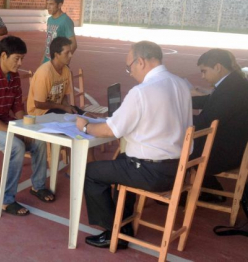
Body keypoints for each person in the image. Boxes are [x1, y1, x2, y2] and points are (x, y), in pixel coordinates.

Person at [75, 41, 192, 249]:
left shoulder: (142, 91)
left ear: (141, 61)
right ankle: (123, 224)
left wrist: (85, 127)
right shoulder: (181, 84)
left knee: (90, 172)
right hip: (178, 169)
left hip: (151, 171)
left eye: (129, 67)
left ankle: (114, 232)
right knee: (121, 161)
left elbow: (110, 130)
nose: (130, 72)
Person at [0, 36, 54, 216]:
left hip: (4, 120)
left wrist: (24, 128)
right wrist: (14, 132)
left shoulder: (13, 77)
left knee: (37, 140)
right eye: (17, 59)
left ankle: (38, 186)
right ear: (3, 55)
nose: (20, 63)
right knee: (16, 146)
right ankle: (4, 200)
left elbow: (17, 105)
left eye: (22, 58)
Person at [191, 49, 248, 216]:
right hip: (233, 145)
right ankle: (212, 190)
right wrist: (184, 100)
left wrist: (173, 122)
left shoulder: (231, 89)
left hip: (225, 153)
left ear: (217, 67)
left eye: (204, 71)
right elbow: (210, 101)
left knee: (176, 147)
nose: (202, 76)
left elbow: (206, 121)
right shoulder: (235, 83)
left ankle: (171, 191)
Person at [27, 37, 76, 116]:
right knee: (73, 120)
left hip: (56, 109)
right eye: (67, 53)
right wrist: (62, 107)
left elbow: (63, 95)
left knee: (81, 114)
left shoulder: (66, 70)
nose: (71, 55)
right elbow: (38, 104)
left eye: (70, 52)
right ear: (56, 55)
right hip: (40, 113)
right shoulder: (44, 73)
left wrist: (67, 106)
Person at [41, 0, 77, 64]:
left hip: (57, 64)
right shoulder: (49, 20)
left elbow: (73, 44)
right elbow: (48, 43)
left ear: (60, 5)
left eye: (51, 4)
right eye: (47, 4)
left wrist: (62, 62)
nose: (48, 7)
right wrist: (42, 62)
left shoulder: (66, 21)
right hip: (47, 61)